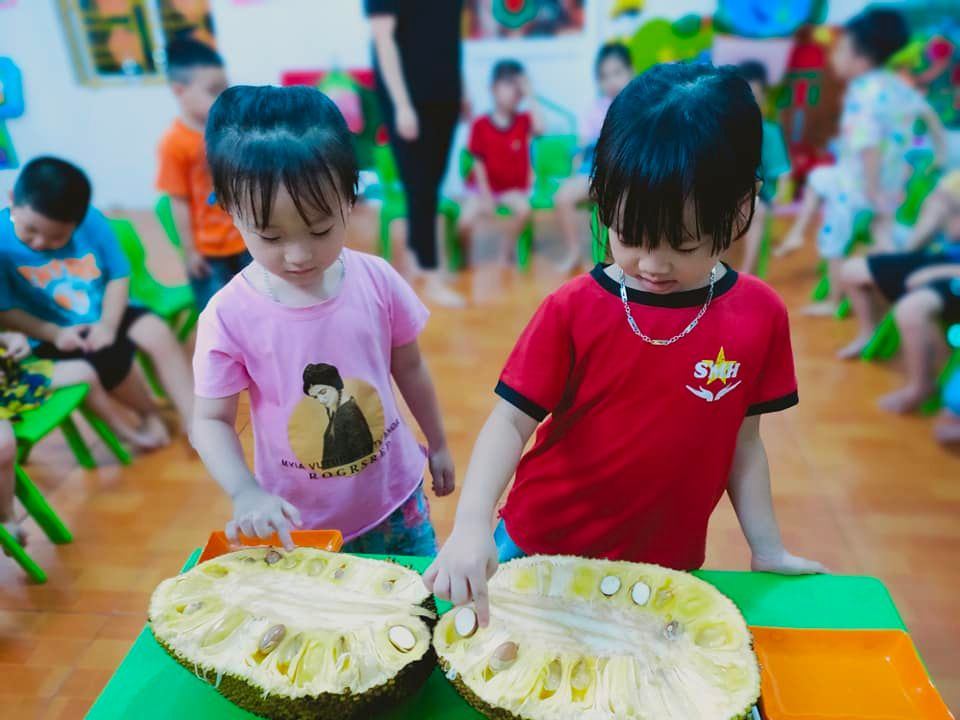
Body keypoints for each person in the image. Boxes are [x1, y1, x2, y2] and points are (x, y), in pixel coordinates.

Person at [424, 64, 824, 624]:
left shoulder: (760, 315)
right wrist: (470, 527)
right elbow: (509, 422)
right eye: (631, 237)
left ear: (740, 207)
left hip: (661, 569)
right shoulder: (573, 309)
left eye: (684, 244)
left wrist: (767, 547)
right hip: (538, 548)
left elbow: (745, 442)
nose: (653, 264)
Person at [191, 85, 455, 555]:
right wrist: (245, 491)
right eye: (270, 236)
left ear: (349, 199)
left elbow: (410, 367)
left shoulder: (376, 280)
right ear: (231, 212)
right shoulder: (228, 316)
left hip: (397, 502)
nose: (299, 255)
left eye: (320, 229)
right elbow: (210, 420)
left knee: (415, 596)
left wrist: (437, 443)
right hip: (300, 524)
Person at [0, 157, 194, 440]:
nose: (40, 243)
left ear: (77, 223)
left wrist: (108, 324)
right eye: (30, 230)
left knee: (157, 333)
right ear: (12, 200)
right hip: (52, 333)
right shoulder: (2, 243)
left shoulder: (91, 220)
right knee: (108, 358)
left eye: (56, 238)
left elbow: (118, 274)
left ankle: (193, 417)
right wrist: (54, 333)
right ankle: (149, 412)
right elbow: (5, 311)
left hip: (107, 307)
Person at [776, 8, 947, 315]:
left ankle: (834, 299)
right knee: (821, 181)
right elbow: (929, 115)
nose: (834, 58)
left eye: (840, 50)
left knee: (834, 235)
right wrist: (941, 151)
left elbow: (868, 145)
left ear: (861, 58)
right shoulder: (895, 85)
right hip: (891, 186)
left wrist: (871, 190)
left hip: (860, 186)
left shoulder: (862, 94)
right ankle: (890, 276)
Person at [0, 329, 165, 545]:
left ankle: (126, 432)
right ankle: (8, 517)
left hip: (12, 380)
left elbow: (5, 335)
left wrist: (13, 339)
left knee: (83, 370)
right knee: (3, 446)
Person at [366, 0, 466, 307]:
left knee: (431, 184)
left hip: (444, 91)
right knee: (419, 185)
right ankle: (431, 273)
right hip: (409, 96)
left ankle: (418, 260)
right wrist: (402, 104)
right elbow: (383, 40)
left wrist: (462, 88)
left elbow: (449, 36)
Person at [156, 38, 246, 311]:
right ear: (180, 91)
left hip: (246, 238)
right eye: (213, 91)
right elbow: (178, 201)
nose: (223, 98)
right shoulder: (175, 143)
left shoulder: (231, 130)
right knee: (217, 312)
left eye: (225, 89)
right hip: (209, 252)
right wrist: (190, 252)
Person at [554, 42, 633, 273]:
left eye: (617, 72)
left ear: (631, 71)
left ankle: (622, 258)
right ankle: (574, 252)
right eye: (604, 76)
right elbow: (582, 148)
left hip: (628, 178)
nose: (612, 81)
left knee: (622, 202)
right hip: (595, 173)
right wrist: (574, 172)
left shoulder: (639, 107)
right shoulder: (595, 110)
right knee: (563, 197)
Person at [459, 60, 545, 266]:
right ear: (493, 88)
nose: (515, 91)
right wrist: (486, 195)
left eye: (519, 86)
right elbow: (478, 162)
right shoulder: (480, 124)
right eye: (508, 84)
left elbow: (541, 128)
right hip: (481, 189)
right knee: (464, 222)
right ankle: (465, 257)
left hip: (512, 189)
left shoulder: (524, 120)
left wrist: (530, 93)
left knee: (524, 210)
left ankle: (506, 251)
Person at [735, 60, 791, 276]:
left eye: (757, 96)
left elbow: (782, 171)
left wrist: (780, 195)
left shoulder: (770, 132)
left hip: (756, 194)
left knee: (759, 211)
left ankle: (747, 273)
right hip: (724, 192)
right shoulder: (720, 129)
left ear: (764, 98)